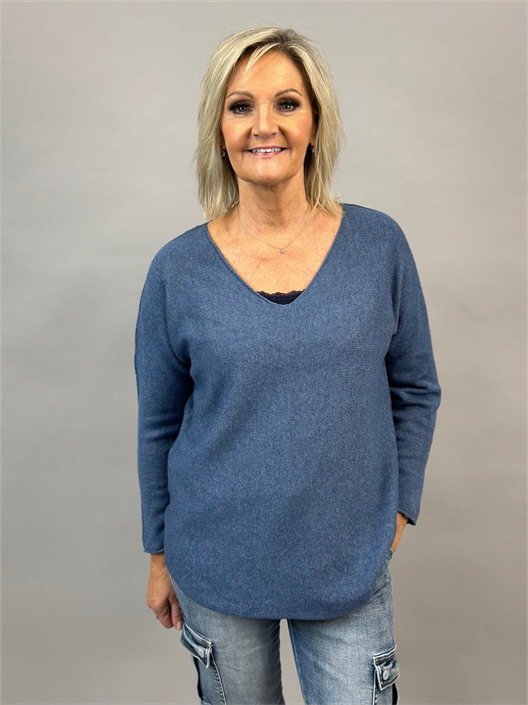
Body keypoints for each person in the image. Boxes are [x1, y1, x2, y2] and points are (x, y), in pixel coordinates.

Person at [134, 25, 441, 705]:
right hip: (215, 566)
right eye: (241, 106)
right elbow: (158, 425)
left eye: (287, 103)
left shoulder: (379, 246)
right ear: (219, 130)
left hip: (347, 566)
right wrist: (158, 554)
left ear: (315, 123)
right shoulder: (177, 271)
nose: (263, 125)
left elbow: (416, 387)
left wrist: (397, 509)